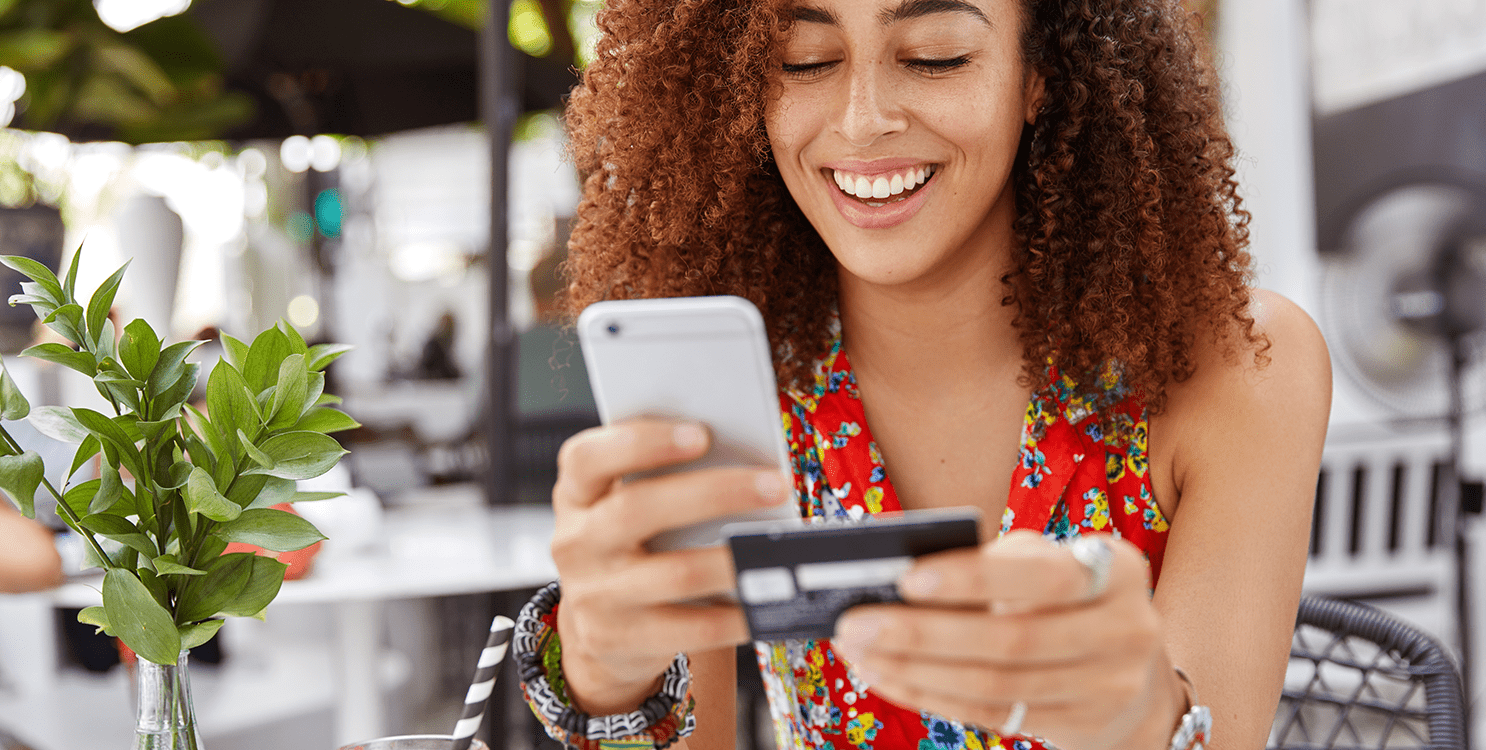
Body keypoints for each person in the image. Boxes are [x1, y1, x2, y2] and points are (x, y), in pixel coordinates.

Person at [515, 1, 1332, 749]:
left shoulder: (1239, 366)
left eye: (936, 57)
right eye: (804, 60)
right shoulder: (729, 384)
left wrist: (1146, 720)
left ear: (1040, 75)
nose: (863, 120)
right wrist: (607, 679)